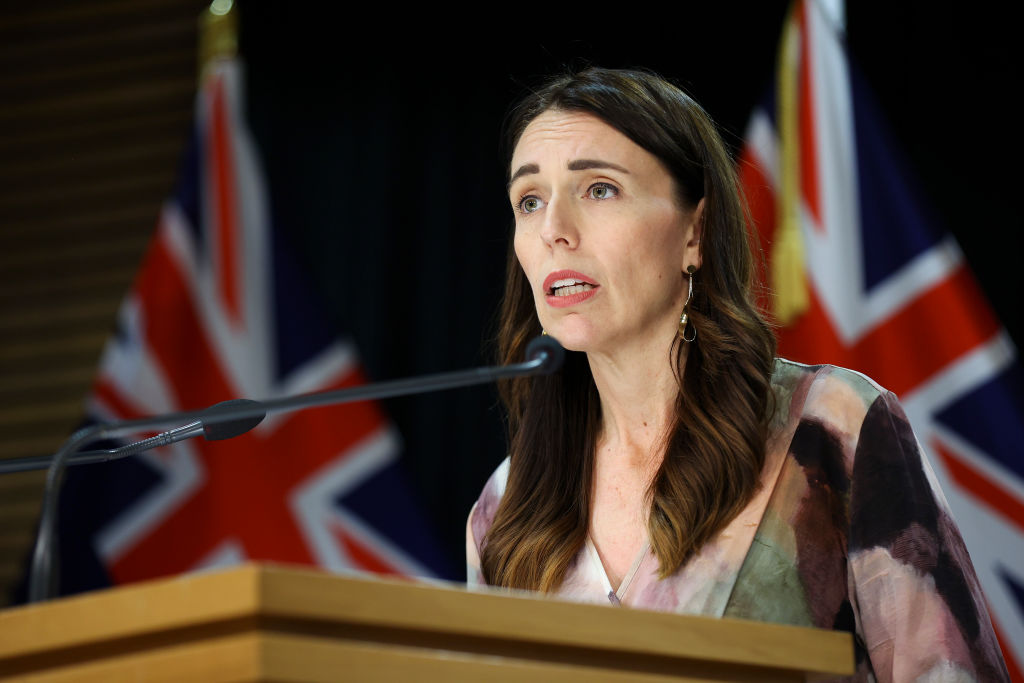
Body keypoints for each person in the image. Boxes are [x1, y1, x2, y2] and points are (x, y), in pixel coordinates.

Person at [466, 67, 1009, 682]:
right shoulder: (506, 504)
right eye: (529, 201)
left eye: (599, 189)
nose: (554, 230)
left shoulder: (830, 427)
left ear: (694, 231)